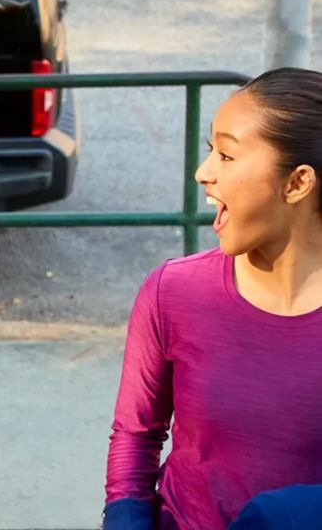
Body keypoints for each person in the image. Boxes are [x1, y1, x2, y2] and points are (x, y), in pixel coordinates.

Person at [102, 67, 322, 529]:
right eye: (210, 151)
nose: (203, 173)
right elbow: (135, 436)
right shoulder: (173, 291)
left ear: (298, 183)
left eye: (226, 155)